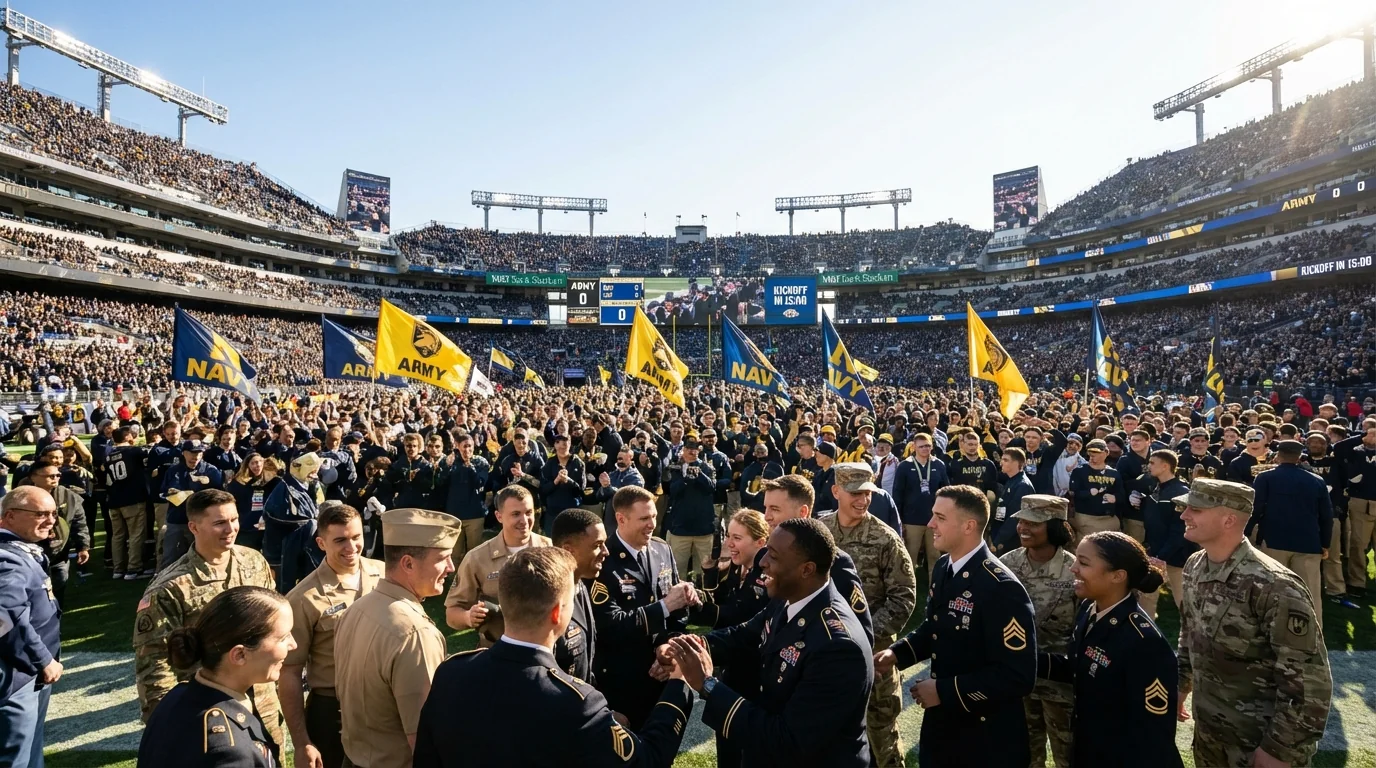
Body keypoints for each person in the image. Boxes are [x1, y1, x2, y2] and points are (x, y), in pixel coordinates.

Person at [413, 547, 694, 767]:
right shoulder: (577, 704)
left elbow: (427, 759)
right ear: (558, 613)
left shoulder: (451, 673)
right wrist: (679, 684)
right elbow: (648, 760)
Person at [670, 517, 873, 767]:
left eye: (773, 557)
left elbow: (788, 741)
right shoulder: (791, 594)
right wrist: (684, 648)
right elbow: (745, 635)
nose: (762, 562)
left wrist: (708, 685)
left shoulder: (838, 648)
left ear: (806, 569)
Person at [874, 484, 1037, 767]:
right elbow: (935, 628)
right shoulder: (944, 567)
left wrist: (944, 691)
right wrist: (896, 654)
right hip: (945, 723)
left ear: (968, 526)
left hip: (985, 737)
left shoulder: (1000, 587)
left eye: (940, 517)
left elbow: (1018, 675)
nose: (930, 524)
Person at [1176, 479, 1333, 767]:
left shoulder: (1274, 584)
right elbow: (1190, 633)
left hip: (1258, 743)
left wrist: (1279, 750)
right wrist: (1181, 684)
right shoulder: (1195, 566)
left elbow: (1309, 682)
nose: (1184, 515)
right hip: (1211, 733)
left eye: (1195, 510)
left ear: (1229, 520)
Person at [133, 488, 283, 746]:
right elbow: (154, 661)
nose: (231, 529)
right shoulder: (170, 588)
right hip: (208, 711)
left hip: (263, 702)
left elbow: (273, 625)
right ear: (194, 527)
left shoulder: (254, 562)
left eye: (234, 520)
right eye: (219, 523)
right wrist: (167, 720)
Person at [1038, 532, 1183, 768]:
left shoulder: (1143, 642)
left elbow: (1153, 735)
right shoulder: (1089, 609)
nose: (1073, 568)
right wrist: (1020, 658)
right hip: (1089, 750)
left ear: (1118, 576)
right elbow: (1079, 667)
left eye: (1083, 563)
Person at [334, 507, 460, 768]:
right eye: (444, 558)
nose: (451, 567)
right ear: (408, 563)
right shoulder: (415, 634)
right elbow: (423, 737)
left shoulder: (357, 609)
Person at [820, 463, 915, 768]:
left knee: (882, 735)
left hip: (874, 656)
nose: (863, 500)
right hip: (827, 652)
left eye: (868, 493)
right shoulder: (821, 534)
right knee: (832, 736)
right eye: (855, 493)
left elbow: (904, 595)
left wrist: (867, 634)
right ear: (836, 491)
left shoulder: (884, 538)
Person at [138, 586, 295, 768]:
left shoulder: (175, 697)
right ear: (240, 655)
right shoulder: (230, 752)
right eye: (283, 638)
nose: (294, 645)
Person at [280, 503, 385, 768]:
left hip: (384, 702)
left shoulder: (384, 575)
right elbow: (290, 672)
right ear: (321, 542)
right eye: (340, 540)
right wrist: (302, 741)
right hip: (333, 710)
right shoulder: (303, 598)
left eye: (356, 537)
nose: (351, 547)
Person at [591, 485, 697, 729]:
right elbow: (608, 625)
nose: (652, 524)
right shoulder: (602, 560)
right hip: (622, 681)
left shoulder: (662, 549)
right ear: (621, 518)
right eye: (644, 518)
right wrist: (664, 606)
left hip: (661, 673)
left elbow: (679, 612)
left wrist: (668, 645)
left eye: (654, 516)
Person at [999, 495, 1078, 768]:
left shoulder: (1075, 570)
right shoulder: (1007, 564)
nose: (1023, 528)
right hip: (1017, 681)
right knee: (1023, 752)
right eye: (1021, 521)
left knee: (1068, 754)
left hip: (1062, 685)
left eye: (1033, 523)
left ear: (1055, 527)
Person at [759, 474, 874, 644]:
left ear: (803, 512)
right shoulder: (769, 555)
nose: (766, 516)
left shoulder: (835, 562)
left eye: (775, 509)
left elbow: (860, 632)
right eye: (766, 508)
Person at [0, 487, 63, 768]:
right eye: (41, 514)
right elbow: (6, 616)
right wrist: (42, 658)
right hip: (19, 674)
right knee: (18, 758)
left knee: (30, 752)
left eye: (53, 513)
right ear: (10, 516)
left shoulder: (21, 549)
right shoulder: (9, 558)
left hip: (28, 671)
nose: (50, 520)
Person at [445, 485, 552, 647]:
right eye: (516, 514)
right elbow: (452, 612)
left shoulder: (550, 549)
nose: (524, 521)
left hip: (544, 648)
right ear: (499, 516)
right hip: (495, 650)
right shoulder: (477, 558)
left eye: (529, 512)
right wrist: (468, 617)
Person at [1249, 440, 1333, 617]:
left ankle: (1272, 630)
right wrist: (1325, 543)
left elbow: (1255, 509)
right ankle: (1312, 634)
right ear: (1299, 457)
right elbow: (1326, 516)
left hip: (1273, 541)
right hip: (1309, 543)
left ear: (1278, 455)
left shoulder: (1265, 477)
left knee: (1272, 591)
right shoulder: (1317, 481)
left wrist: (1246, 533)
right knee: (1309, 593)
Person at [550, 508, 608, 682]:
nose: (606, 552)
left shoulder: (580, 584)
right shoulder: (546, 599)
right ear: (568, 550)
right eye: (597, 546)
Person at [24, 459, 89, 608]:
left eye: (58, 475)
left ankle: (55, 617)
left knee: (59, 587)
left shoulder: (68, 496)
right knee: (35, 591)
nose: (56, 479)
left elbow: (79, 522)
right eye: (50, 476)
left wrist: (83, 547)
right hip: (33, 553)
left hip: (60, 553)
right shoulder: (23, 498)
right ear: (33, 477)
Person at [1138, 450, 1193, 619]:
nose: (1149, 466)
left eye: (1153, 463)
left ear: (1165, 466)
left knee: (1184, 602)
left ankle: (1193, 638)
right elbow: (1156, 519)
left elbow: (1179, 530)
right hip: (1155, 552)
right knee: (1146, 596)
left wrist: (1162, 556)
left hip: (1175, 557)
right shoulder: (1158, 487)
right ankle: (1145, 633)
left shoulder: (1180, 491)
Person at [159, 439, 224, 569]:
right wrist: (171, 494)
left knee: (203, 557)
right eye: (192, 453)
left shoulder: (211, 471)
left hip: (203, 521)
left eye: (199, 453)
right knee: (170, 557)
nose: (195, 456)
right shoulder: (173, 470)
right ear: (184, 453)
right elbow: (163, 492)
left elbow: (220, 496)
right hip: (177, 520)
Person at [893, 433, 950, 578]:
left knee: (934, 556)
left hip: (935, 520)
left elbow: (946, 491)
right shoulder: (904, 466)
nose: (925, 449)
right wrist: (899, 520)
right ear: (914, 447)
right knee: (909, 558)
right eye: (921, 446)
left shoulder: (939, 464)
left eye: (928, 446)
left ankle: (934, 593)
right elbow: (897, 494)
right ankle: (909, 593)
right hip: (911, 520)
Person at [666, 437, 718, 582]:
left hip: (703, 529)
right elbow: (673, 491)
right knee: (677, 570)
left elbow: (712, 487)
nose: (692, 451)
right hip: (681, 528)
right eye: (689, 448)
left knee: (703, 571)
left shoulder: (707, 467)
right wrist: (686, 479)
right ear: (683, 449)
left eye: (695, 449)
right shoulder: (675, 467)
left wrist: (699, 474)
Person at [103, 426, 150, 579]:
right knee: (136, 534)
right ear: (128, 436)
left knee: (117, 536)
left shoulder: (109, 455)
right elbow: (147, 465)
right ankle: (133, 568)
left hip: (114, 499)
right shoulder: (134, 451)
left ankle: (118, 569)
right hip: (133, 498)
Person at [437, 433, 489, 563]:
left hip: (474, 514)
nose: (467, 450)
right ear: (458, 447)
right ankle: (456, 581)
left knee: (474, 553)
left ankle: (475, 581)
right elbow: (440, 484)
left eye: (470, 446)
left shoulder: (480, 462)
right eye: (464, 446)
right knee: (455, 554)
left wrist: (470, 466)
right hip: (454, 515)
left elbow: (480, 483)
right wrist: (446, 468)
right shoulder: (450, 461)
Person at [1068, 439, 1124, 541]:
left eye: (1096, 453)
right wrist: (1088, 493)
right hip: (1085, 517)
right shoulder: (1079, 471)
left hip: (1108, 518)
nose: (1092, 456)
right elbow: (1073, 494)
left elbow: (1122, 495)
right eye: (1090, 453)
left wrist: (1115, 497)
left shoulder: (1114, 473)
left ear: (1106, 453)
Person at [538, 434, 586, 536]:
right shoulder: (549, 464)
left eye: (565, 443)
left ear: (570, 445)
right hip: (553, 511)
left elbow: (581, 490)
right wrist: (556, 481)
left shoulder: (578, 463)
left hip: (572, 510)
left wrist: (568, 481)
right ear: (555, 446)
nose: (562, 447)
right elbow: (543, 489)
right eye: (558, 443)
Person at [991, 447, 1035, 554]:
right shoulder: (1011, 481)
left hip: (1012, 541)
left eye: (1006, 460)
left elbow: (1015, 517)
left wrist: (999, 539)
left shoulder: (1022, 486)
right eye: (1002, 459)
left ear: (1017, 463)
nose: (1001, 463)